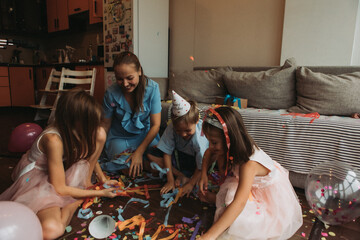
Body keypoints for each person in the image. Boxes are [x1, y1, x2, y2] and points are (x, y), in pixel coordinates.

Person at [0, 89, 119, 240]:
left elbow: (86, 156)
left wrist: (103, 179)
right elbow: (60, 188)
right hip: (37, 179)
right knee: (53, 231)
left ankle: (77, 196)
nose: (92, 127)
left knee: (100, 133)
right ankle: (74, 203)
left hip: (60, 171)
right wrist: (99, 193)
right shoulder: (53, 140)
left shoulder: (76, 130)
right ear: (74, 120)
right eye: (88, 122)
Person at [198, 106, 303, 240]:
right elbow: (208, 153)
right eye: (209, 141)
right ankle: (218, 200)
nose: (210, 146)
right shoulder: (231, 148)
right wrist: (203, 175)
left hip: (268, 197)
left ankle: (219, 204)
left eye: (214, 142)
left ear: (229, 139)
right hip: (249, 185)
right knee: (229, 193)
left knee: (240, 220)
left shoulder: (249, 164)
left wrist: (210, 236)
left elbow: (239, 203)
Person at [101, 51, 162, 177]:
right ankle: (144, 165)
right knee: (129, 170)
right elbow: (105, 125)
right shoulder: (111, 93)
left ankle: (141, 161)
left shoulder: (153, 88)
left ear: (139, 71)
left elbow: (155, 125)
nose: (125, 84)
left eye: (129, 78)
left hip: (145, 135)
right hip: (120, 138)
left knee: (162, 159)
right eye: (119, 79)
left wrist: (139, 152)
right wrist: (97, 148)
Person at [147, 91, 209, 196]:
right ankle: (180, 175)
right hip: (178, 158)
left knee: (199, 172)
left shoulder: (199, 139)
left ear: (197, 120)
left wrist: (191, 183)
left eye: (188, 131)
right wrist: (170, 179)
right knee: (149, 153)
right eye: (178, 131)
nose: (183, 134)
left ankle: (187, 178)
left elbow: (202, 165)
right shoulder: (172, 126)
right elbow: (166, 152)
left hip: (197, 163)